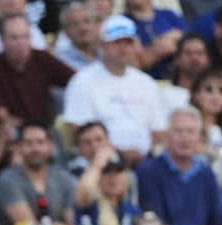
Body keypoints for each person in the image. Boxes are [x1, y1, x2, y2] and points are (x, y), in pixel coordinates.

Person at [62, 15, 165, 167]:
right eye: (116, 42)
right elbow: (78, 131)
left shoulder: (146, 83)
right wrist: (118, 153)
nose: (123, 48)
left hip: (146, 161)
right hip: (99, 162)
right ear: (102, 46)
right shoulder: (83, 81)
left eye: (128, 42)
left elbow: (159, 131)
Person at [0, 121, 77, 225]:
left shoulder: (64, 178)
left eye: (40, 142)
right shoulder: (7, 179)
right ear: (19, 147)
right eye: (28, 143)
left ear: (51, 146)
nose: (35, 148)